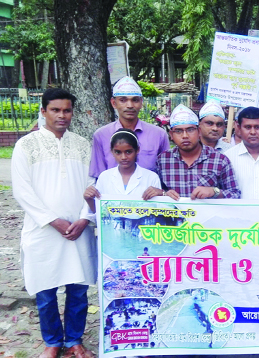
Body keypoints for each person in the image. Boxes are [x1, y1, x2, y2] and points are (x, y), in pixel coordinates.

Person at [11, 88, 97, 358]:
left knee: (78, 289)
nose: (62, 115)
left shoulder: (82, 144)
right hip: (42, 230)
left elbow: (92, 184)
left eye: (67, 110)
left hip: (78, 230)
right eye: (55, 110)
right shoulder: (26, 145)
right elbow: (22, 190)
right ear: (44, 111)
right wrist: (52, 220)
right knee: (45, 290)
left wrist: (85, 218)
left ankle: (73, 339)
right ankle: (51, 341)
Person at [89, 76, 170, 179]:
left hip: (149, 193)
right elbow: (97, 175)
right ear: (114, 103)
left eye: (135, 100)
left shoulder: (158, 134)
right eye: (123, 100)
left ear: (141, 103)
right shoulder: (101, 135)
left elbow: (166, 173)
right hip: (112, 194)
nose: (130, 105)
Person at [156, 104, 241, 200]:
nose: (185, 136)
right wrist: (163, 193)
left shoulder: (220, 160)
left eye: (190, 130)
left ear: (199, 131)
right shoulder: (163, 160)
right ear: (171, 134)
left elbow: (235, 195)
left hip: (209, 214)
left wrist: (214, 192)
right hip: (174, 214)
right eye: (178, 131)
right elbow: (158, 192)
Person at [83, 129, 163, 214]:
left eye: (128, 152)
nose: (123, 157)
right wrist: (89, 199)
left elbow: (160, 211)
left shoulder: (151, 177)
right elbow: (99, 212)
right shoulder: (104, 177)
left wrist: (161, 193)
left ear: (137, 150)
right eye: (118, 152)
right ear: (112, 151)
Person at [224, 107, 259, 199]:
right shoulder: (228, 157)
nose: (253, 132)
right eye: (248, 127)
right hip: (238, 213)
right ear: (239, 128)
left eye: (257, 127)